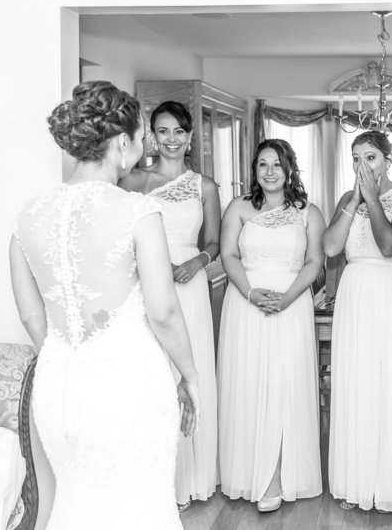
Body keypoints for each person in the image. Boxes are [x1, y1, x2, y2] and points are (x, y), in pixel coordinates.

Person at [9, 81, 199, 529]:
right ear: (122, 143)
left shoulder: (27, 215)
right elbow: (164, 312)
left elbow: (32, 316)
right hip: (130, 385)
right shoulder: (138, 212)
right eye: (140, 136)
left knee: (77, 504)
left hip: (59, 386)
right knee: (139, 507)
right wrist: (190, 375)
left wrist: (67, 356)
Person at [120, 100, 220, 510]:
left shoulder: (205, 186)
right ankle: (157, 482)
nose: (172, 139)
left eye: (179, 131)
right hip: (147, 288)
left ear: (190, 136)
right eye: (163, 131)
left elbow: (213, 243)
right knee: (155, 379)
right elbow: (121, 242)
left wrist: (195, 263)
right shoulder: (132, 182)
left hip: (190, 286)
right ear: (151, 135)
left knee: (190, 373)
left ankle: (194, 477)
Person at [217, 139, 324, 513]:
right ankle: (246, 470)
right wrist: (249, 293)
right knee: (247, 384)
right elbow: (228, 254)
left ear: (290, 168)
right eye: (262, 165)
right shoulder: (238, 207)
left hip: (291, 304)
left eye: (277, 164)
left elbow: (314, 262)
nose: (270, 172)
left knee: (283, 384)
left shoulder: (309, 212)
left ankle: (277, 476)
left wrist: (290, 296)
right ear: (254, 170)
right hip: (245, 304)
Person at [323, 130, 392, 512]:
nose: (362, 165)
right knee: (357, 384)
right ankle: (356, 480)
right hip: (355, 296)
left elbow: (390, 245)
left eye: (371, 157)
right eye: (356, 158)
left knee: (391, 383)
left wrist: (372, 201)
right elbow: (332, 247)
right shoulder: (347, 200)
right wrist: (353, 201)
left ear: (387, 160)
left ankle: (389, 484)